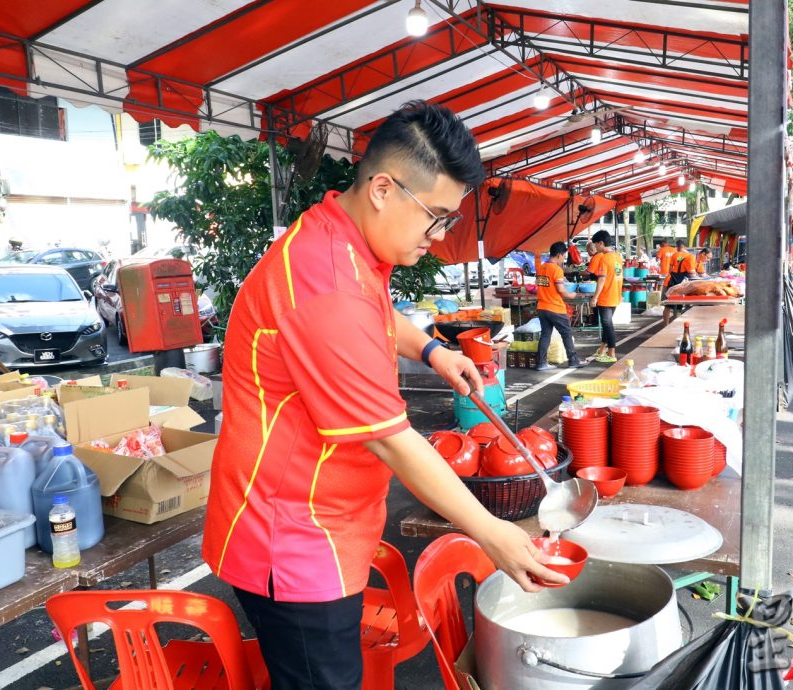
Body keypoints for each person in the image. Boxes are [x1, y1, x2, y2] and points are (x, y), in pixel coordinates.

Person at [201, 101, 566, 690]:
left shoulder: (343, 239)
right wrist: (492, 533)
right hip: (293, 540)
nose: (439, 236)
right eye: (436, 217)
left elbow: (375, 311)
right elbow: (392, 440)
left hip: (325, 523)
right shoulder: (327, 284)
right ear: (382, 189)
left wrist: (433, 351)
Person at [534, 241, 587, 371]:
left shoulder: (541, 267)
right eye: (564, 256)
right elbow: (561, 291)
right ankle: (573, 360)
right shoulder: (556, 270)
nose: (563, 259)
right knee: (566, 333)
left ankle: (541, 363)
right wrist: (572, 295)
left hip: (542, 307)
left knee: (545, 334)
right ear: (559, 255)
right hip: (555, 308)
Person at [588, 230, 623, 363]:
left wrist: (595, 297)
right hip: (615, 295)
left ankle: (612, 353)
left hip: (606, 296)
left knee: (607, 325)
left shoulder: (604, 258)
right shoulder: (617, 256)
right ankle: (602, 349)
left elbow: (601, 279)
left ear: (601, 243)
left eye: (596, 245)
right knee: (606, 324)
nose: (596, 248)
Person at [661, 240, 698, 326]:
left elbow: (670, 270)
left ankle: (665, 326)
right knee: (678, 306)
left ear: (677, 247)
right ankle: (676, 326)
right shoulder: (690, 256)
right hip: (681, 284)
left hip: (670, 281)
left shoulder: (674, 255)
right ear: (685, 246)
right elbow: (692, 273)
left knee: (668, 305)